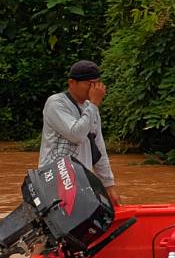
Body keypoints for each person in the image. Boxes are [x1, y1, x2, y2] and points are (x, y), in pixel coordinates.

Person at [37, 59, 117, 200]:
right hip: (53, 180)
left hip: (80, 182)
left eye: (96, 83)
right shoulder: (56, 103)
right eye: (89, 84)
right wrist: (93, 105)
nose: (94, 89)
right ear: (72, 83)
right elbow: (76, 135)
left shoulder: (91, 108)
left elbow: (99, 150)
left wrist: (109, 186)